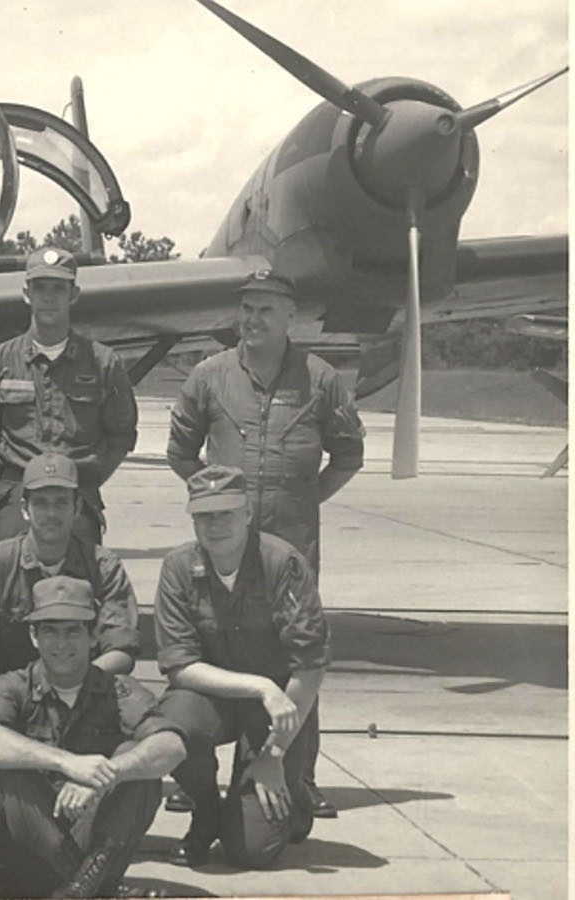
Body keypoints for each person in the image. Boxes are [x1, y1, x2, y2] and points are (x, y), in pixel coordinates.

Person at [165, 268, 363, 818]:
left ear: (290, 318)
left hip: (291, 549)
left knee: (300, 658)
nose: (252, 320)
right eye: (247, 308)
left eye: (266, 310)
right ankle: (193, 774)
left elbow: (349, 455)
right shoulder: (208, 376)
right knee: (209, 651)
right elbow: (181, 451)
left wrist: (305, 502)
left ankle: (300, 774)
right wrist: (214, 506)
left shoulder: (320, 380)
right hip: (223, 548)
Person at [155, 466, 329, 869]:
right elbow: (179, 666)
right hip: (219, 698)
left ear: (248, 513)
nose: (215, 526)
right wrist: (258, 686)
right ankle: (206, 810)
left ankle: (293, 794)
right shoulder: (179, 568)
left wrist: (273, 755)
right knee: (171, 720)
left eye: (225, 514)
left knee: (252, 851)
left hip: (280, 710)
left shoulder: (282, 563)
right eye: (204, 516)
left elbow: (310, 666)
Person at [0, 576, 186, 898]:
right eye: (50, 631)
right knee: (1, 769)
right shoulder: (11, 686)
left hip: (93, 844)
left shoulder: (117, 690)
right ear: (33, 635)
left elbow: (172, 746)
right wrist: (70, 765)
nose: (62, 643)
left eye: (73, 631)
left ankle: (81, 889)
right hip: (26, 862)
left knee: (137, 758)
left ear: (92, 635)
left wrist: (104, 776)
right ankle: (90, 888)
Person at [0, 247, 137, 546]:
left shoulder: (103, 363)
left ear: (73, 294)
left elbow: (121, 436)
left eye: (58, 289)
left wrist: (87, 478)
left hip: (76, 490)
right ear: (26, 293)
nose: (48, 297)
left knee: (81, 578)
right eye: (40, 288)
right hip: (16, 491)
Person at [0, 451, 139, 686]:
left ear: (77, 507)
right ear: (25, 509)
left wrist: (67, 683)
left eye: (61, 502)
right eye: (41, 503)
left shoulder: (104, 567)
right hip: (14, 692)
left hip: (86, 690)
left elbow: (121, 649)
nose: (51, 514)